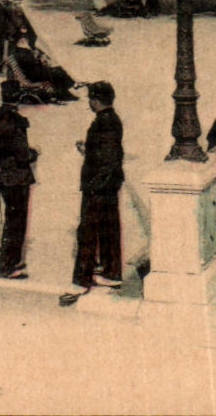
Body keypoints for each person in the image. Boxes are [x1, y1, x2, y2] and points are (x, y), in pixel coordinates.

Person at [68, 81, 124, 299]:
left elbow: (108, 160)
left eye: (90, 99)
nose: (89, 103)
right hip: (109, 185)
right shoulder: (113, 120)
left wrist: (94, 186)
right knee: (109, 230)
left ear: (95, 100)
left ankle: (81, 280)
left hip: (98, 186)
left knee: (87, 232)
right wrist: (89, 149)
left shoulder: (103, 122)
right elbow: (108, 154)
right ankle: (112, 273)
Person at [0, 81, 37, 279]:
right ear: (18, 97)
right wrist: (33, 153)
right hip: (17, 177)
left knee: (11, 219)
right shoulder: (15, 122)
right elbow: (22, 155)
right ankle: (7, 266)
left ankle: (13, 260)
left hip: (2, 175)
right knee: (16, 222)